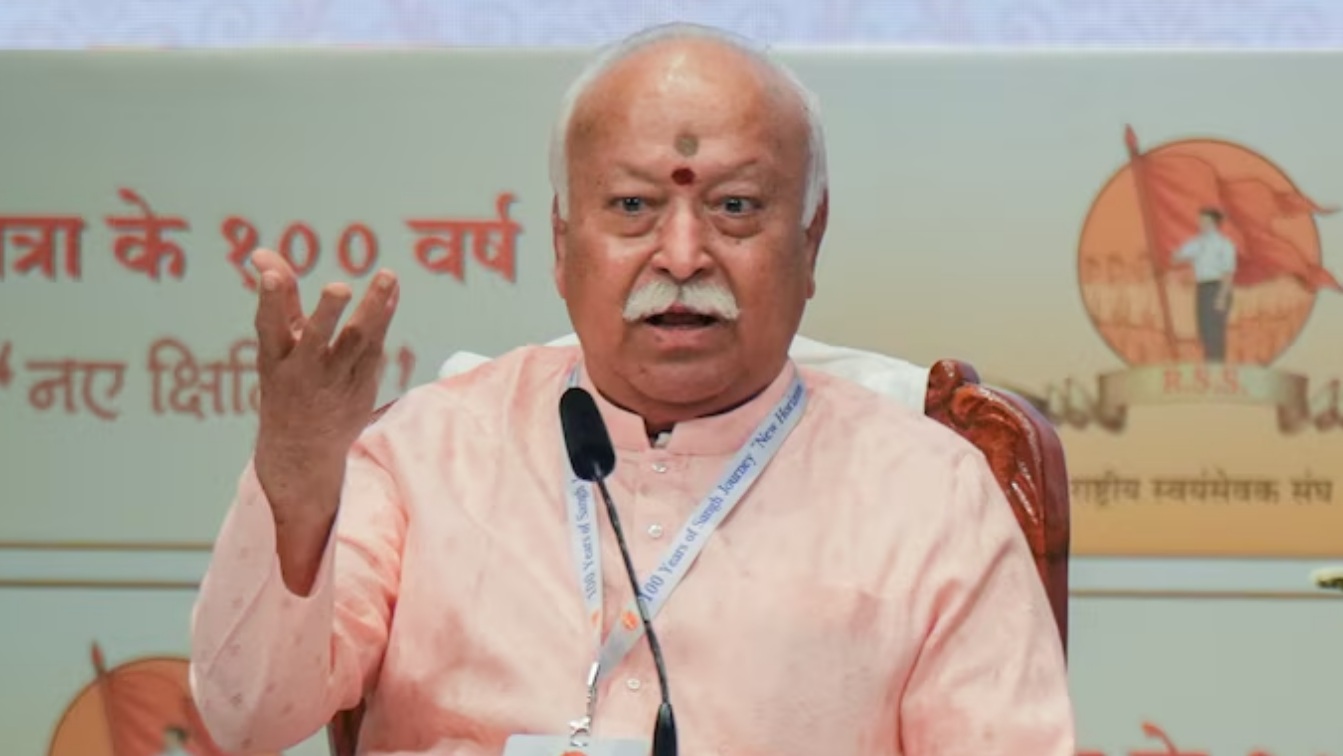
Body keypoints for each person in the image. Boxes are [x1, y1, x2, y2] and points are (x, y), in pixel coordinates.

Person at [189, 21, 1075, 755]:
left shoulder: (928, 494)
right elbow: (249, 718)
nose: (682, 256)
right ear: (560, 242)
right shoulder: (427, 454)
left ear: (810, 240)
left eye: (735, 207)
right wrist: (297, 476)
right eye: (632, 207)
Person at [1171, 207, 1238, 362]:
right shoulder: (1196, 243)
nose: (1201, 223)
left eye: (1205, 220)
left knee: (1215, 332)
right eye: (1200, 220)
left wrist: (1222, 297)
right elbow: (1176, 258)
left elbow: (1228, 274)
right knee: (1204, 331)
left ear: (1214, 223)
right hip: (1202, 289)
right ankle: (1210, 365)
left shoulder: (1224, 244)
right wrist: (1177, 254)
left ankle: (1217, 367)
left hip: (1218, 288)